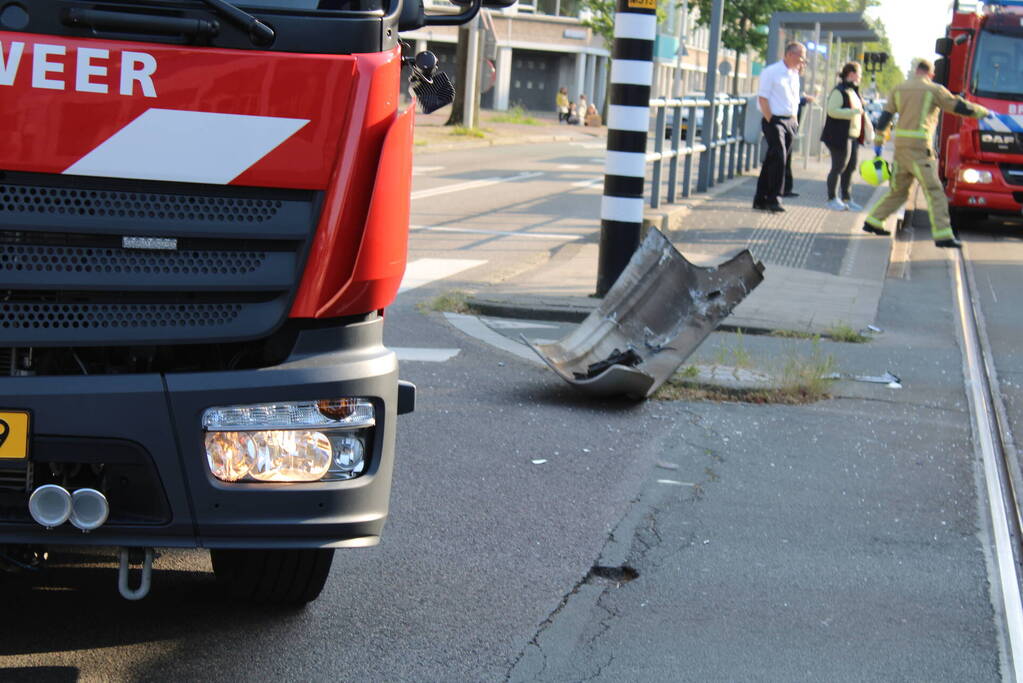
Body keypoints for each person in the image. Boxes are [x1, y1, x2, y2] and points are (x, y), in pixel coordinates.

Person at [864, 59, 990, 248]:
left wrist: (880, 139)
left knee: (898, 191)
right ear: (931, 74)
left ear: (916, 71)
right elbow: (956, 106)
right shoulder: (934, 89)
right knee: (935, 192)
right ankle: (943, 235)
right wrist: (983, 112)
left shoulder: (898, 89)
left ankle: (873, 220)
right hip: (920, 150)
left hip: (901, 149)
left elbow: (885, 116)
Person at [753, 42, 808, 212]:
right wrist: (771, 120)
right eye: (801, 56)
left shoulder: (794, 74)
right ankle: (774, 198)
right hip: (774, 120)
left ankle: (760, 198)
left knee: (772, 159)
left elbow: (794, 99)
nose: (803, 61)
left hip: (789, 121)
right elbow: (762, 98)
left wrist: (794, 120)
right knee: (779, 157)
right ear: (790, 54)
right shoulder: (771, 72)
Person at [821, 62, 871, 211]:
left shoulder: (853, 91)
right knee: (838, 167)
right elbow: (832, 111)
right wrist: (853, 112)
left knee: (850, 167)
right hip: (839, 136)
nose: (861, 77)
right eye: (859, 73)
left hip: (852, 136)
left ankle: (846, 198)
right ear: (851, 74)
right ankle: (831, 198)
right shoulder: (839, 91)